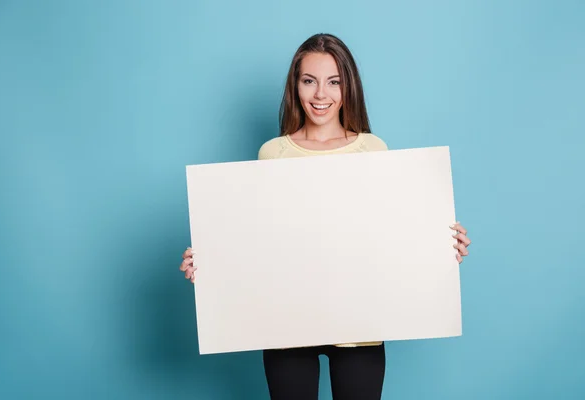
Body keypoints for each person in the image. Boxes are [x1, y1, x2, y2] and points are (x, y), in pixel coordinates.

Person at [179, 33, 472, 400]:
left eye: (333, 82)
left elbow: (390, 234)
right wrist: (212, 267)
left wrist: (440, 245)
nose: (321, 95)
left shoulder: (373, 148)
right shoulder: (272, 154)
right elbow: (261, 243)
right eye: (309, 81)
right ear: (295, 86)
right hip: (287, 324)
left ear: (348, 87)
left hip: (360, 323)